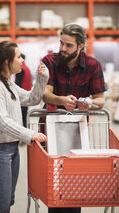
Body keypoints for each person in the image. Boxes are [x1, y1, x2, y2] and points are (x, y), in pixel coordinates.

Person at [0, 41, 48, 213]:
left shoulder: (8, 84)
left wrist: (41, 78)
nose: (22, 60)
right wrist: (30, 134)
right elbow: (3, 121)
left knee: (8, 201)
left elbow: (32, 99)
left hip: (12, 149)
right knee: (1, 204)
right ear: (7, 62)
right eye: (18, 56)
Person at [42, 23, 106, 213]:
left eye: (68, 45)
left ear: (80, 46)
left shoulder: (93, 66)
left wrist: (89, 103)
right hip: (50, 132)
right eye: (61, 43)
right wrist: (60, 99)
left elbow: (100, 99)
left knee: (73, 187)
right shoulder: (49, 61)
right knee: (53, 188)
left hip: (77, 135)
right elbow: (45, 94)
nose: (62, 48)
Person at [15, 53, 32, 127]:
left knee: (20, 118)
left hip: (21, 95)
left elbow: (18, 82)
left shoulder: (21, 70)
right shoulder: (27, 68)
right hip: (27, 94)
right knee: (24, 117)